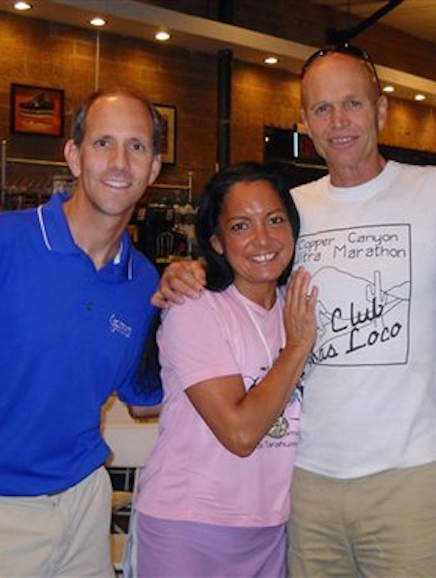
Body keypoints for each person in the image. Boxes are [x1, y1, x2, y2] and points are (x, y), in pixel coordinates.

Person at [154, 45, 436, 576]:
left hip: (412, 479)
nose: (339, 122)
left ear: (380, 110)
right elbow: (240, 258)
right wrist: (186, 272)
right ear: (305, 122)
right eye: (322, 109)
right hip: (308, 482)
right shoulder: (291, 213)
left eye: (352, 104)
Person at [0, 87, 164, 578]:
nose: (120, 162)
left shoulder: (143, 282)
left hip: (86, 505)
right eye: (103, 143)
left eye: (137, 146)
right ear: (74, 155)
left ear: (153, 168)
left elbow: (144, 400)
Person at [134, 162, 317, 577]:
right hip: (190, 527)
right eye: (240, 226)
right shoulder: (196, 307)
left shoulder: (296, 303)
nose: (262, 239)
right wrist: (298, 347)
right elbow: (239, 432)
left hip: (270, 528)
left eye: (275, 220)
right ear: (216, 242)